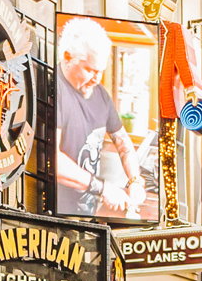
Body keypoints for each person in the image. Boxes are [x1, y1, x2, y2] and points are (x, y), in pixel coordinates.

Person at [54, 15, 146, 218]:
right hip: (55, 217)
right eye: (90, 70)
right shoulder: (55, 88)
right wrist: (103, 188)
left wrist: (135, 181)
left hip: (87, 215)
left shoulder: (101, 94)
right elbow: (54, 161)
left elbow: (123, 143)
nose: (96, 79)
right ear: (67, 57)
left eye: (101, 71)